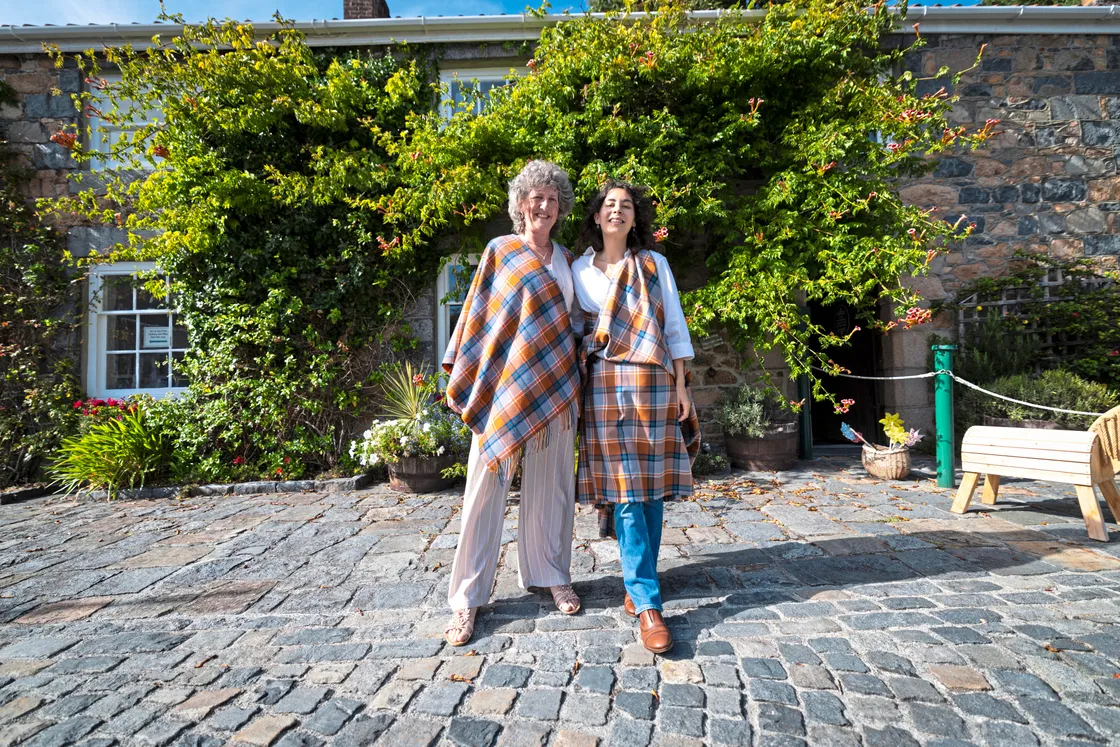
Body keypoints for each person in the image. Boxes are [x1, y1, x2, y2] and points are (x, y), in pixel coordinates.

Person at [441, 160, 584, 646]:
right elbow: (479, 318)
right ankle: (467, 599)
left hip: (556, 389)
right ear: (521, 203)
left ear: (560, 207)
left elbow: (575, 321)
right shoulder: (500, 251)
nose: (544, 205)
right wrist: (472, 376)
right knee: (483, 492)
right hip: (504, 388)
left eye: (552, 199)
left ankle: (551, 574)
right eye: (536, 197)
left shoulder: (568, 260)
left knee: (554, 489)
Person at [572, 180, 700, 654]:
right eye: (610, 204)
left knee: (650, 493)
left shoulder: (653, 264)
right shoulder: (578, 270)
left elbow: (674, 327)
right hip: (605, 385)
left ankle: (636, 581)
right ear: (597, 215)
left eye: (626, 205)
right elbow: (571, 330)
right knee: (626, 494)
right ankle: (648, 604)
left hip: (652, 382)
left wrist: (682, 386)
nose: (617, 211)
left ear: (634, 217)